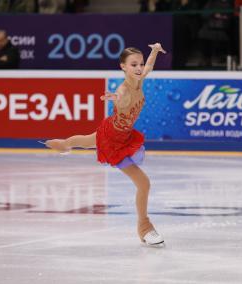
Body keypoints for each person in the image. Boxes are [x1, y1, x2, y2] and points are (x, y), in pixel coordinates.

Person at [44, 43, 167, 246]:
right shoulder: (124, 89)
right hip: (114, 141)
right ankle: (144, 228)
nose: (139, 68)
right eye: (133, 64)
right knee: (143, 183)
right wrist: (115, 98)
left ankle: (65, 144)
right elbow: (121, 98)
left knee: (84, 141)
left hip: (120, 134)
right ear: (123, 67)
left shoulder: (139, 79)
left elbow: (149, 68)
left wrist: (154, 51)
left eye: (140, 63)